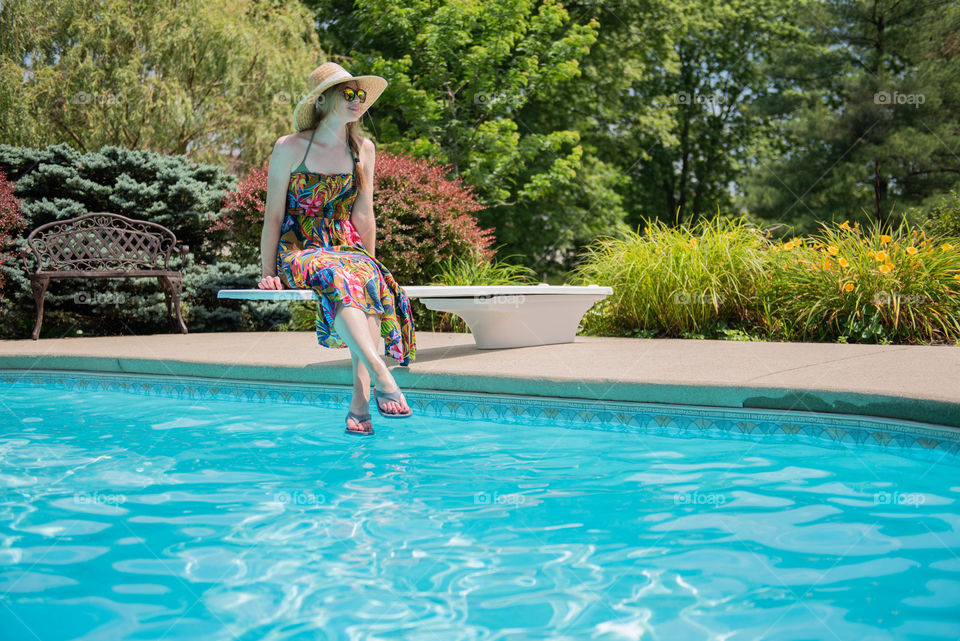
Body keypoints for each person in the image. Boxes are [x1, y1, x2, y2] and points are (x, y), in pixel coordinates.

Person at [257, 62, 416, 436]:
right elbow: (274, 216)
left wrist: (371, 263)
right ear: (323, 99)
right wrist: (267, 271)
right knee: (340, 274)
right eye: (349, 93)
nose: (357, 100)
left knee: (367, 279)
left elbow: (364, 212)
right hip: (301, 246)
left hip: (346, 246)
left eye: (360, 95)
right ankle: (380, 373)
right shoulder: (289, 147)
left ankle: (360, 404)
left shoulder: (363, 148)